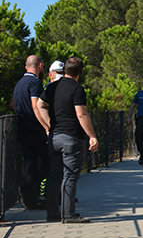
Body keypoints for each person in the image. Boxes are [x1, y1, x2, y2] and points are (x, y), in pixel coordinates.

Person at [36, 57, 99, 224]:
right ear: (81, 72)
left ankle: (52, 213)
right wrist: (92, 136)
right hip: (72, 138)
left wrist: (48, 125)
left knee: (54, 176)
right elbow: (81, 114)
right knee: (70, 176)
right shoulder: (77, 90)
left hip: (55, 137)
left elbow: (39, 105)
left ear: (65, 71)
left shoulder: (52, 87)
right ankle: (68, 214)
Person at [12, 55, 49, 211]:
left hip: (22, 128)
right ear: (40, 65)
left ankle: (31, 199)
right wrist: (46, 127)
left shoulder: (19, 84)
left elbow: (13, 104)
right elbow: (36, 106)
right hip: (34, 129)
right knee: (49, 160)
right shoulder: (35, 83)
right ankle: (30, 191)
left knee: (29, 164)